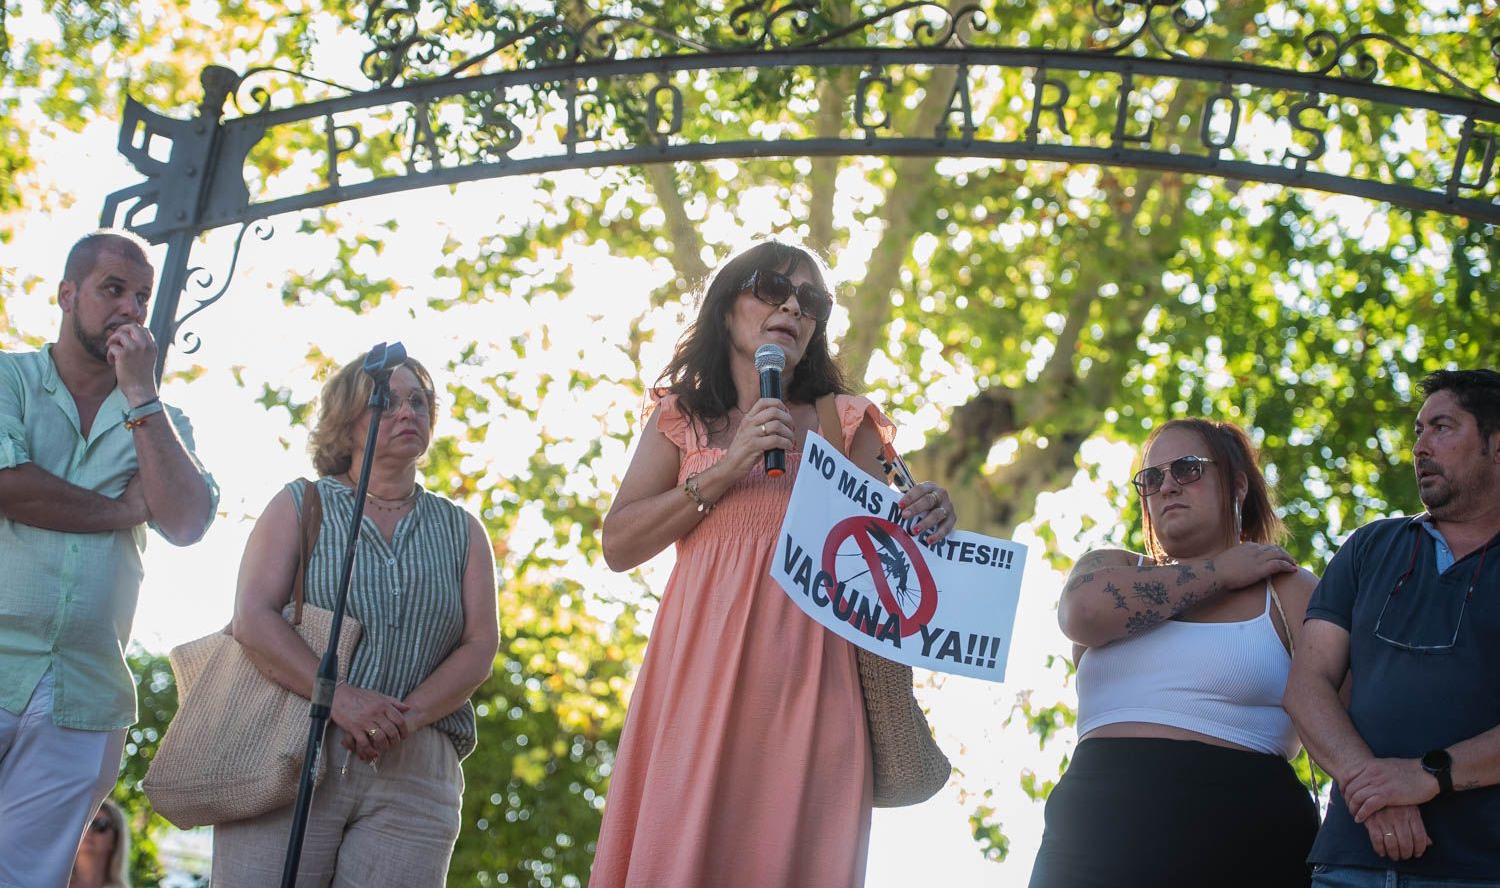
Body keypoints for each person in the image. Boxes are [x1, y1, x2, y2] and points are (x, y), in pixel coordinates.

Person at [590, 241, 957, 888]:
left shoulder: (844, 421)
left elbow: (893, 555)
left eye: (811, 300)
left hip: (815, 683)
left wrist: (928, 512)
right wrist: (728, 468)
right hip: (696, 676)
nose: (793, 305)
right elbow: (618, 544)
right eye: (772, 287)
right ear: (727, 302)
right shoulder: (680, 416)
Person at [211, 351, 499, 888]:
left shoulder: (463, 530)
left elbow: (480, 645)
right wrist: (341, 700)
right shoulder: (302, 503)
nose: (407, 411)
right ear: (346, 423)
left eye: (419, 401)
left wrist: (401, 720)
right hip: (295, 747)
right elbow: (253, 618)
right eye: (386, 402)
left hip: (416, 769)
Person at [0, 230, 217, 888]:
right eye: (112, 289)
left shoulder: (160, 419)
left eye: (142, 296)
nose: (129, 308)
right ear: (68, 294)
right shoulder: (7, 379)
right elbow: (10, 484)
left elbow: (185, 519)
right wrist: (122, 511)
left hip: (84, 693)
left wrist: (141, 396)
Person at [1032, 417, 1321, 888]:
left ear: (1238, 485)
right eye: (1152, 478)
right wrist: (1220, 571)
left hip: (1252, 848)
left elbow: (1350, 715)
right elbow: (1081, 611)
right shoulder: (1112, 566)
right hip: (1093, 845)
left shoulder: (1287, 588)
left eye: (1187, 469)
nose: (1166, 486)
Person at [1284, 368, 1500, 888]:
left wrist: (1425, 775)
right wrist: (1375, 789)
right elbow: (1306, 687)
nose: (1421, 446)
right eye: (1418, 431)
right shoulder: (1368, 548)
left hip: (1480, 869)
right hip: (1348, 864)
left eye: (1442, 427)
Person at [68, 799, 132, 888]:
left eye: (100, 824)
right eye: (83, 823)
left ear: (115, 838)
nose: (88, 831)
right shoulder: (51, 881)